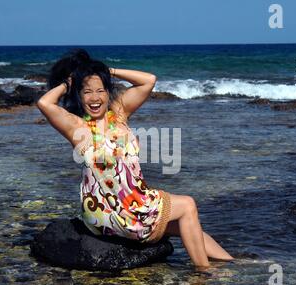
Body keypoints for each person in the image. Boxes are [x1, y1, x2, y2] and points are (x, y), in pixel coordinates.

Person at [37, 49, 233, 269]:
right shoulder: (76, 126)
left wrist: (106, 71)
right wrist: (70, 83)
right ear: (78, 95)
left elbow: (148, 81)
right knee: (188, 205)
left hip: (135, 203)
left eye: (100, 90)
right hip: (113, 211)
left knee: (190, 226)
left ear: (107, 91)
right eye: (87, 92)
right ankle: (202, 274)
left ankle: (233, 264)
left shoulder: (118, 113)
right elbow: (45, 103)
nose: (95, 98)